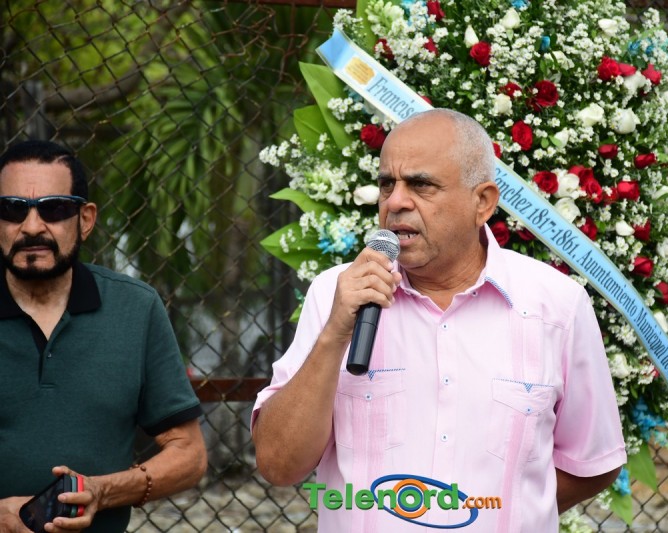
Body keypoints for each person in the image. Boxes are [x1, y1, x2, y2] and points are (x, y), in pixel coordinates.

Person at [252, 109, 626, 531]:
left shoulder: (556, 306)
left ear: (482, 202)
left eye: (421, 184)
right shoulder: (335, 296)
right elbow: (278, 464)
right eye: (387, 184)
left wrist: (507, 514)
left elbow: (592, 462)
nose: (395, 202)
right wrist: (335, 335)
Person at [0, 140, 207, 532]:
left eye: (54, 208)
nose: (31, 226)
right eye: (12, 209)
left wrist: (102, 492)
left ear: (86, 219)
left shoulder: (135, 308)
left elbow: (189, 454)